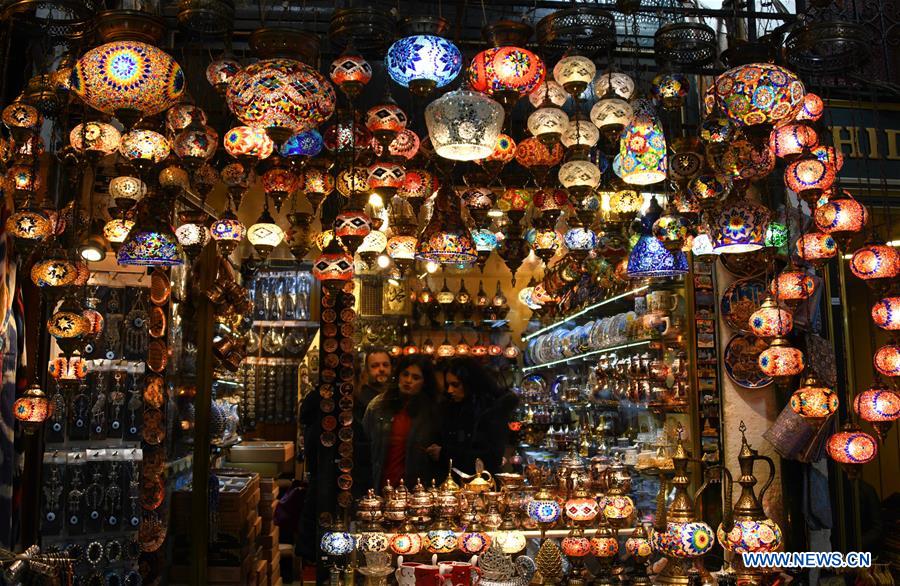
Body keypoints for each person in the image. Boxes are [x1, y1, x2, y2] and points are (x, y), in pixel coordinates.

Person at [426, 356, 519, 475]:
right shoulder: (450, 408)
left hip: (481, 483)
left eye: (455, 385)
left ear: (470, 383)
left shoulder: (491, 411)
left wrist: (445, 454)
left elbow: (491, 458)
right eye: (448, 385)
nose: (450, 390)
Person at [363, 355, 441, 490]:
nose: (408, 380)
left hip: (417, 489)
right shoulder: (378, 406)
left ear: (424, 382)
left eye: (416, 377)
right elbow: (364, 445)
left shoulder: (432, 411)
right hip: (381, 485)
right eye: (405, 374)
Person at [352, 349, 392, 496]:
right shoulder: (362, 400)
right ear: (366, 371)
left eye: (385, 365)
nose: (381, 369)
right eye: (375, 366)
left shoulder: (396, 398)